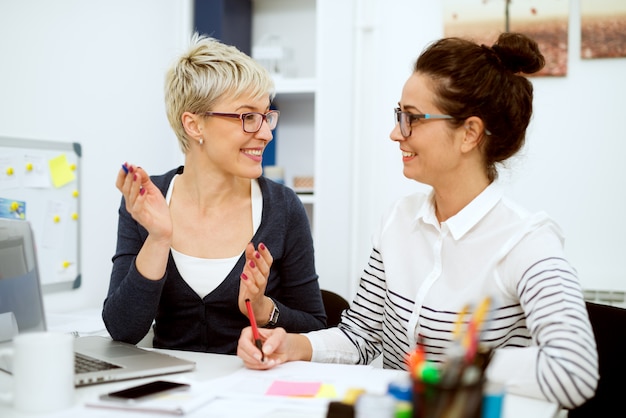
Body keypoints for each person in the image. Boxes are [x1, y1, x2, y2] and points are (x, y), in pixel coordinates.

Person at [237, 32, 599, 408]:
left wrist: (455, 368)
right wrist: (290, 344)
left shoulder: (526, 241)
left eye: (411, 118)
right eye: (399, 116)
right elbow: (360, 337)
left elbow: (574, 371)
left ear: (469, 133)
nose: (396, 133)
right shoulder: (398, 220)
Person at [103, 33, 327, 354]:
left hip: (252, 391)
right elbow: (122, 330)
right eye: (247, 117)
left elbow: (317, 328)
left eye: (266, 116)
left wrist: (264, 309)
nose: (265, 133)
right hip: (170, 393)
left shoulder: (282, 207)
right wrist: (158, 239)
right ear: (195, 126)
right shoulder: (147, 203)